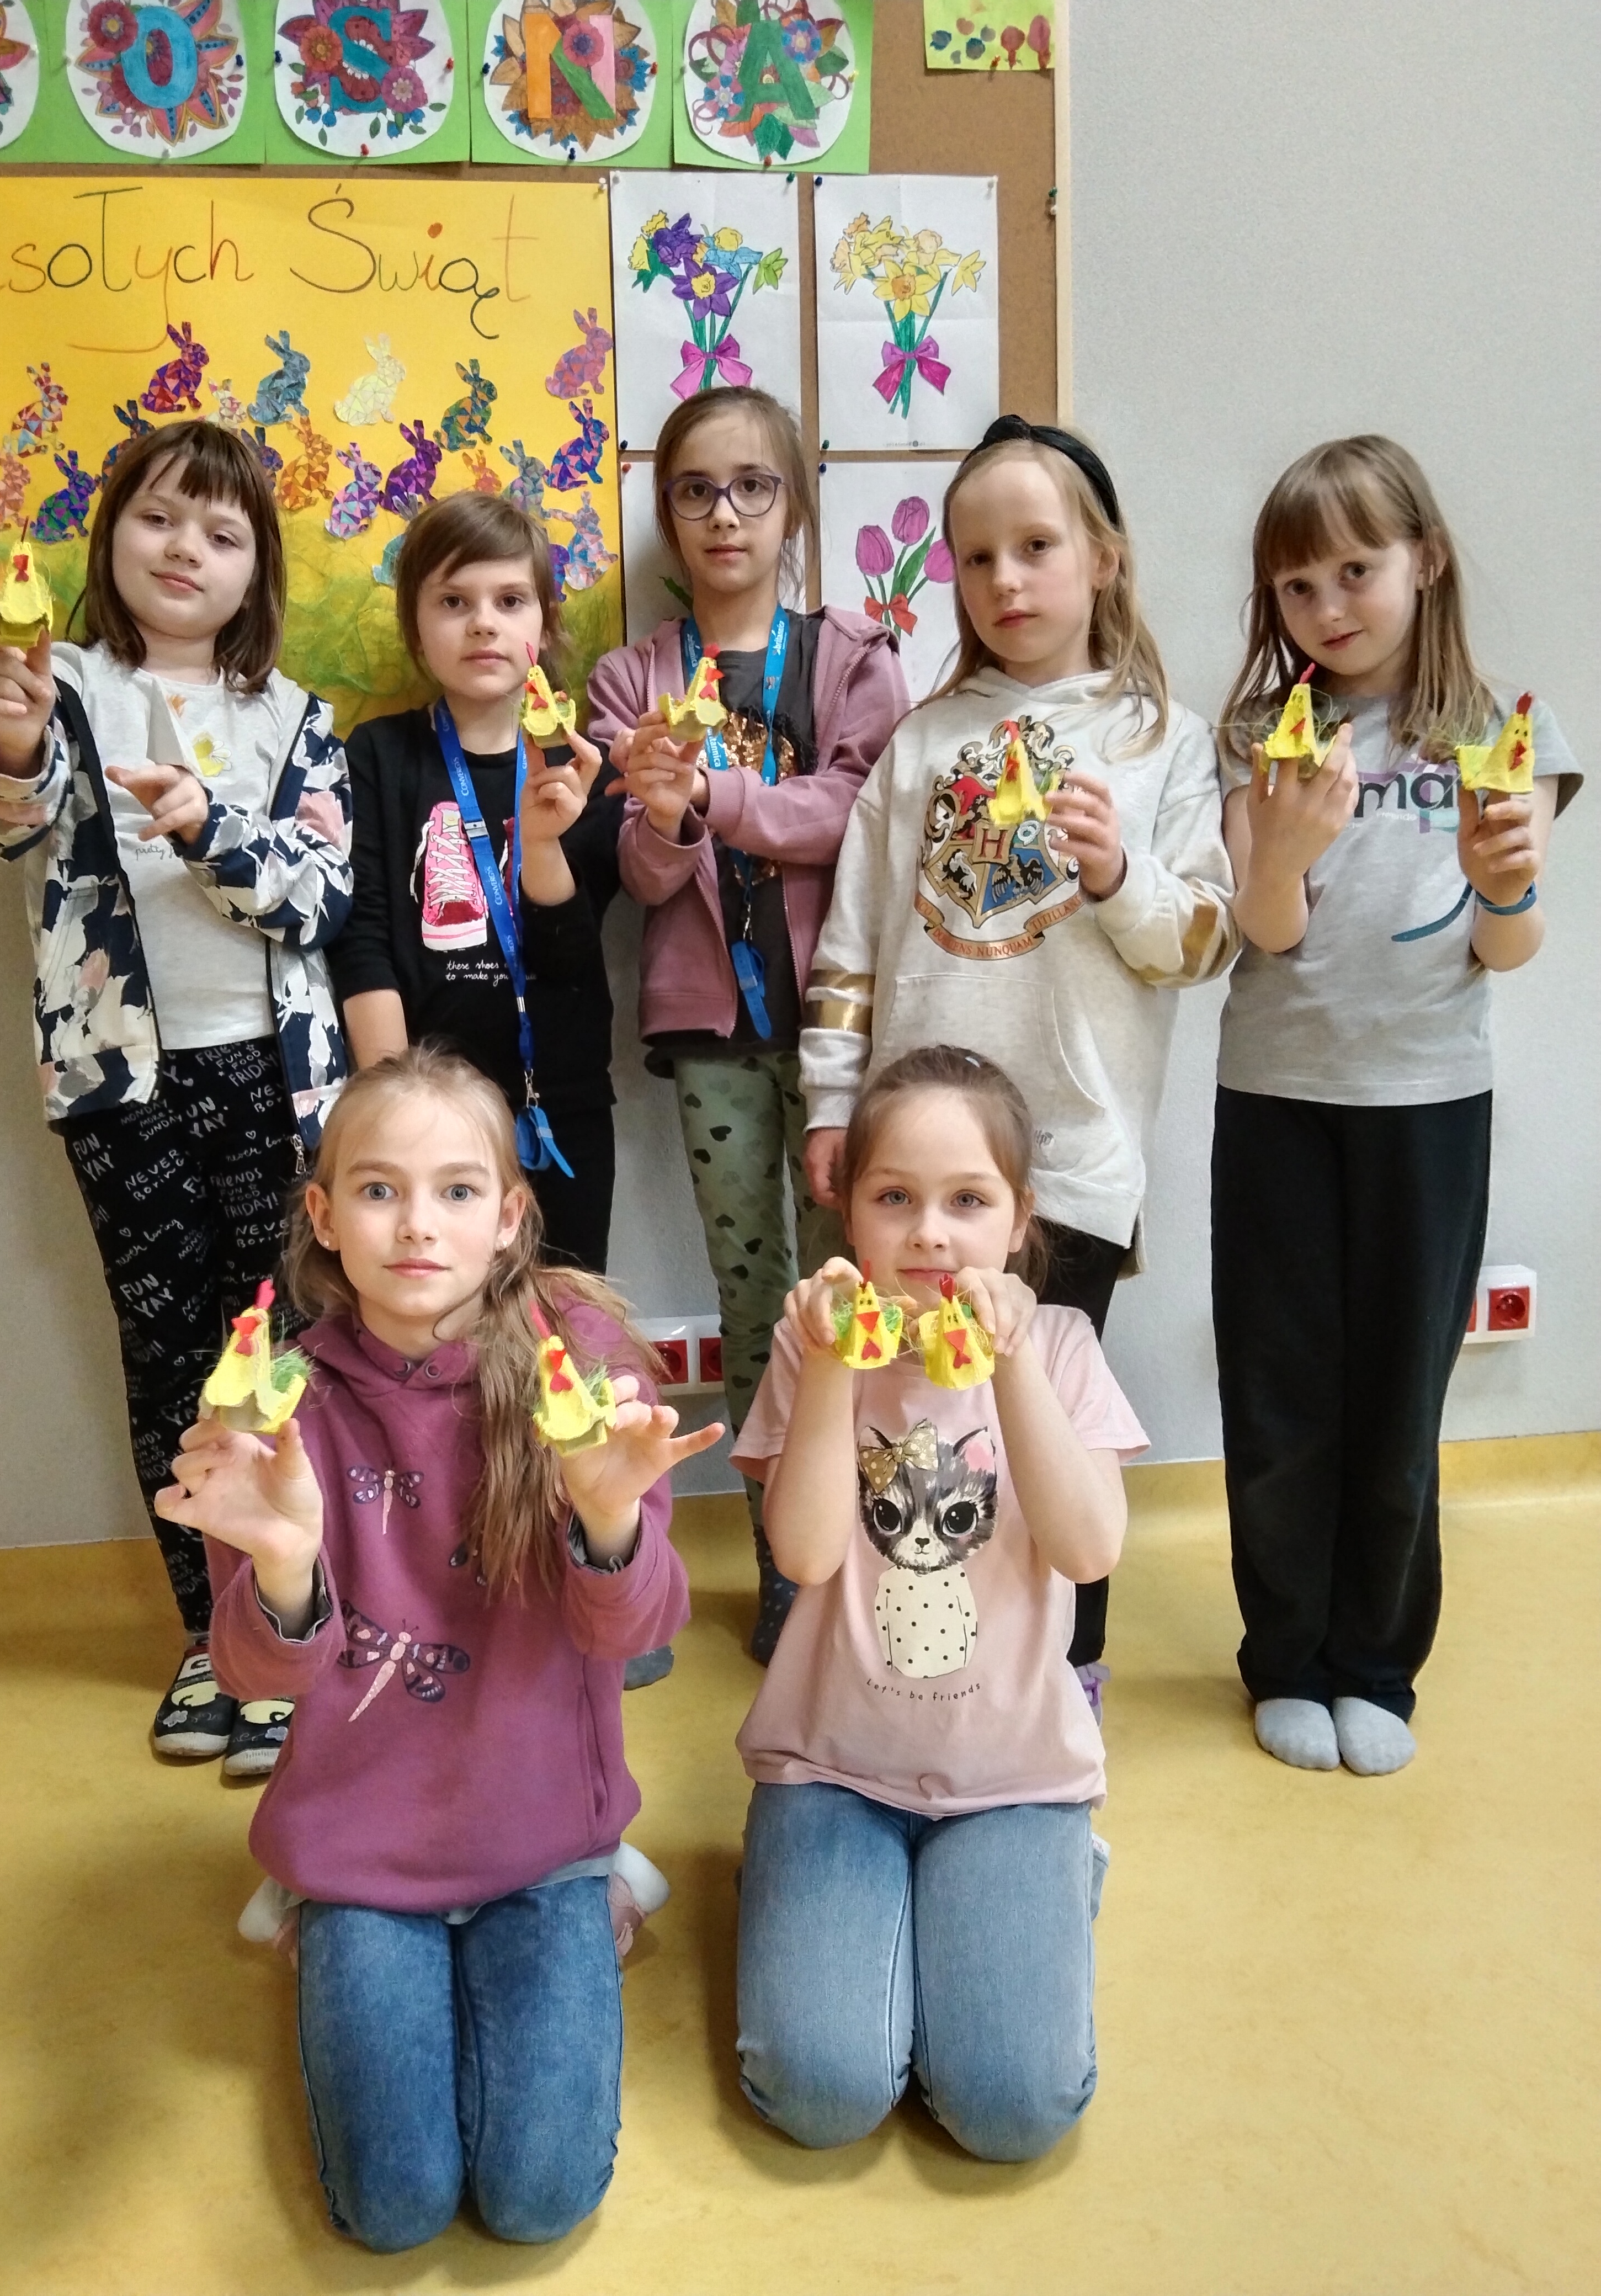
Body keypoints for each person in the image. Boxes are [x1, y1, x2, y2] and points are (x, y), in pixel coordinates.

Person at [154, 1048, 717, 2252]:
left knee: (539, 2198)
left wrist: (609, 1522)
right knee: (393, 2209)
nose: (418, 1224)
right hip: (360, 1854)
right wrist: (284, 1563)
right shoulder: (277, 1405)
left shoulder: (581, 1371)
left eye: (458, 1191)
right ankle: (316, 1917)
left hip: (545, 1845)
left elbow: (636, 1629)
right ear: (323, 1215)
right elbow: (256, 1675)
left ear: (510, 1216)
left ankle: (602, 1892)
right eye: (379, 1190)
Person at [797, 415, 1235, 1710]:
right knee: (918, 1422)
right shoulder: (921, 743)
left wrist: (1116, 874)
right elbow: (852, 941)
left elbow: (1203, 940)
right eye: (977, 557)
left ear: (1104, 558)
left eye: (1037, 547)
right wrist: (832, 1102)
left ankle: (1066, 1675)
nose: (1005, 580)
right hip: (915, 1171)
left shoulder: (1165, 738)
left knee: (1050, 1420)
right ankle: (924, 1672)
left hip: (1071, 1165)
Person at [0, 419, 350, 1777]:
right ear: (111, 534)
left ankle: (290, 1626)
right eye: (159, 518)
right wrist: (8, 742)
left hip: (279, 1084)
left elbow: (317, 900)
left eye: (223, 533)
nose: (187, 549)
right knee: (171, 1358)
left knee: (283, 1356)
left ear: (257, 571)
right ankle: (208, 1637)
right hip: (117, 1082)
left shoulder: (297, 719)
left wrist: (205, 824)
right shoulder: (56, 684)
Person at [1212, 434, 1581, 1776]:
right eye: (1297, 585)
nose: (1329, 607)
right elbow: (1265, 931)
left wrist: (1509, 882)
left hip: (1429, 1100)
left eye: (1356, 570)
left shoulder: (1499, 734)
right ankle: (1285, 1656)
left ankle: (1376, 1664)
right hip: (1277, 1098)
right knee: (1279, 1395)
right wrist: (1284, 851)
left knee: (1398, 1395)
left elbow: (1508, 950)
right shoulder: (1259, 737)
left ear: (1425, 560)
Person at [730, 1045, 1146, 2160]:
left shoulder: (1061, 1347)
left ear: (1019, 1219)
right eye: (895, 1199)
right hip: (832, 1771)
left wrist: (1010, 1363)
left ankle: (1044, 1881)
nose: (930, 1234)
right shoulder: (810, 1347)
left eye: (968, 1201)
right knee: (820, 2098)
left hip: (1014, 1780)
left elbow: (1088, 1550)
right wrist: (831, 1365)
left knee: (1013, 2114)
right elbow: (805, 1552)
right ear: (850, 1213)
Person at [587, 384, 907, 1663]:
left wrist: (712, 795)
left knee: (853, 1290)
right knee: (753, 1291)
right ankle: (786, 1561)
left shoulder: (851, 658)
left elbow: (856, 813)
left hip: (841, 1030)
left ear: (794, 508)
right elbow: (640, 872)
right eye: (696, 491)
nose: (725, 514)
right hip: (710, 1041)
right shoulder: (631, 679)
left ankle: (864, 1551)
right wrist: (667, 820)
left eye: (753, 487)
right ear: (669, 516)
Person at [330, 492, 621, 1275]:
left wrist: (543, 846)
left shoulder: (582, 765)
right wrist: (395, 1108)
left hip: (559, 1107)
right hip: (427, 1114)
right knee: (434, 1322)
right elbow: (362, 940)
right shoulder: (378, 756)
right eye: (454, 602)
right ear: (416, 629)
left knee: (563, 1322)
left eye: (510, 601)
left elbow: (569, 960)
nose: (483, 623)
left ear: (545, 626)